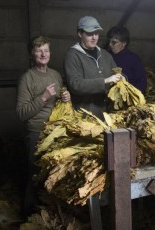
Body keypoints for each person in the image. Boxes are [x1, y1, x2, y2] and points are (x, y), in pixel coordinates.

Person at [16, 35, 71, 215]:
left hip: (55, 132)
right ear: (31, 54)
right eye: (39, 50)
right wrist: (43, 98)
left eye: (46, 50)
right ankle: (29, 216)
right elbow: (21, 113)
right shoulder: (27, 78)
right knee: (35, 177)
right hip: (36, 134)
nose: (43, 54)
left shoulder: (55, 75)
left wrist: (65, 98)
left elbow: (61, 102)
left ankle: (50, 217)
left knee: (53, 176)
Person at [64, 16, 123, 119]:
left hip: (107, 115)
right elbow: (75, 85)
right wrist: (104, 81)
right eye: (90, 34)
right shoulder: (73, 55)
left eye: (96, 33)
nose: (94, 37)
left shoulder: (105, 55)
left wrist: (123, 78)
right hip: (84, 116)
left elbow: (116, 74)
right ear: (80, 34)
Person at [106, 26, 147, 93]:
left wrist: (130, 95)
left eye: (114, 42)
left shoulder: (134, 59)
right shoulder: (106, 56)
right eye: (109, 41)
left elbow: (142, 84)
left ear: (124, 43)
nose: (110, 44)